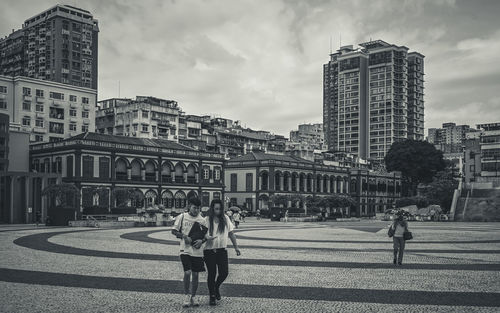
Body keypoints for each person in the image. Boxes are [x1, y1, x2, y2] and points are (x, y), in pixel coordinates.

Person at [171, 197, 214, 308]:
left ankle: (193, 296)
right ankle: (186, 295)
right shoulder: (182, 217)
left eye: (198, 208)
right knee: (187, 272)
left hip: (197, 251)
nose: (196, 210)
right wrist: (184, 236)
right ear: (189, 206)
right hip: (184, 250)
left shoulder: (202, 220)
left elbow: (205, 236)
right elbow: (174, 231)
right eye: (194, 208)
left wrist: (201, 241)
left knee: (195, 274)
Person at [204, 200, 241, 306]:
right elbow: (202, 234)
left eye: (220, 209)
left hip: (222, 251)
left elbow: (231, 233)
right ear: (212, 208)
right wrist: (207, 237)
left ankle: (216, 287)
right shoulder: (206, 220)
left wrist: (236, 248)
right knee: (212, 274)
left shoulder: (225, 218)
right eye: (216, 209)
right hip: (209, 251)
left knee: (224, 272)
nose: (218, 211)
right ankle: (212, 296)